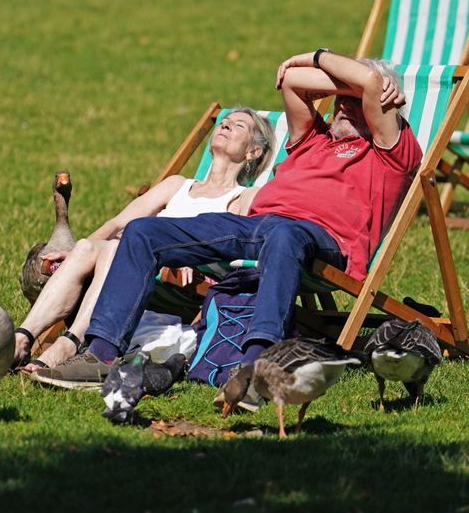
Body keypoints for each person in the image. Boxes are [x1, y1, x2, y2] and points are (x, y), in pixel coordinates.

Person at [33, 49, 421, 388]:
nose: (341, 104)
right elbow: (292, 81)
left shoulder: (390, 152)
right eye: (338, 98)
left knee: (284, 235)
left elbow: (368, 83)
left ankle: (256, 364)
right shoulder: (313, 140)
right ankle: (100, 353)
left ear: (379, 108)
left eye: (352, 101)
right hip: (255, 226)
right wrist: (328, 70)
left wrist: (341, 69)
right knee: (143, 231)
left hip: (320, 241)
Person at [13, 107, 276, 372]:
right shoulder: (177, 185)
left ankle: (70, 344)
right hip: (144, 267)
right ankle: (22, 339)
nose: (226, 125)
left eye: (239, 126)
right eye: (225, 122)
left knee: (116, 249)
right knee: (85, 247)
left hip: (188, 285)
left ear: (253, 152)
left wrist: (192, 258)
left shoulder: (245, 196)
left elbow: (242, 247)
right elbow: (116, 223)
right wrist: (72, 257)